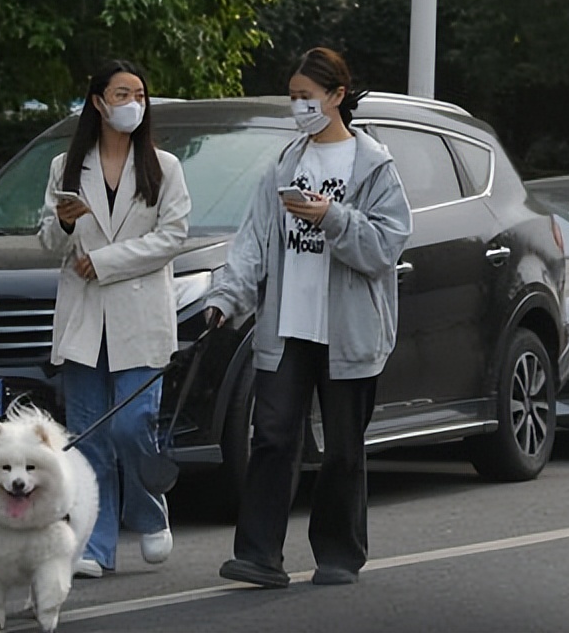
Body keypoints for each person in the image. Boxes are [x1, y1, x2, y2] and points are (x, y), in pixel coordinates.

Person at [204, 46, 412, 588]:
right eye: (293, 97)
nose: (299, 106)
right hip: (287, 324)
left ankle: (339, 554)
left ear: (338, 96)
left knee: (343, 446)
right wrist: (226, 296)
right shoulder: (285, 163)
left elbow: (383, 247)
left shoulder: (373, 166)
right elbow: (252, 240)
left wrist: (332, 216)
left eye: (308, 97)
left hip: (348, 331)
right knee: (271, 436)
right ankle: (258, 555)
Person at [37, 59, 192, 579]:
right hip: (83, 320)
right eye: (122, 94)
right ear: (99, 102)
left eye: (140, 95)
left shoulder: (164, 167)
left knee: (131, 426)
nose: (133, 104)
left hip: (139, 316)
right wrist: (61, 222)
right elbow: (48, 244)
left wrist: (104, 262)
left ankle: (148, 510)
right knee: (87, 436)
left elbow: (172, 239)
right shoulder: (65, 165)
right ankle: (95, 546)